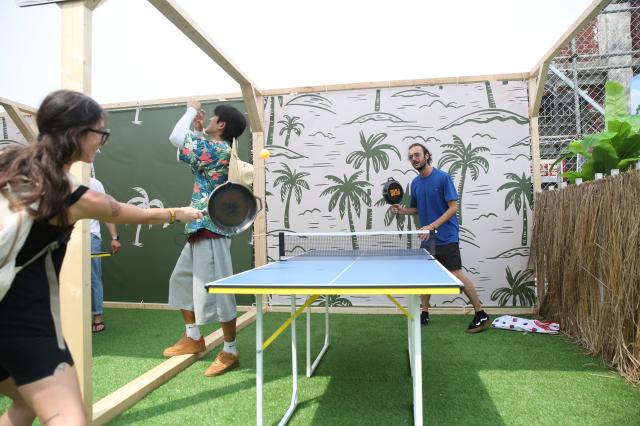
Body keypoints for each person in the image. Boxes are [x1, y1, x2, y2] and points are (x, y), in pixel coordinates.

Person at [0, 89, 203, 425]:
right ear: (76, 134)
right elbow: (133, 214)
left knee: (25, 403)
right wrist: (178, 212)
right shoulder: (71, 195)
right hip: (24, 325)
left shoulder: (11, 168)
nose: (103, 142)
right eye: (101, 133)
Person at [163, 99, 246, 377]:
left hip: (212, 232)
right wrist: (199, 131)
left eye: (212, 118)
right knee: (181, 280)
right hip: (198, 229)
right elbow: (195, 156)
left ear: (221, 125)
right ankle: (193, 338)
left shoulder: (218, 148)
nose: (207, 119)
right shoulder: (214, 149)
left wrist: (189, 109)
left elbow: (175, 136)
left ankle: (231, 351)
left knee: (219, 294)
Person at [392, 142, 489, 333]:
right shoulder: (415, 184)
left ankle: (481, 314)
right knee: (425, 277)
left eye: (417, 155)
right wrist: (402, 210)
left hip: (446, 236)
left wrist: (432, 226)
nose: (414, 159)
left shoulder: (443, 178)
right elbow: (417, 208)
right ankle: (425, 312)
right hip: (428, 238)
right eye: (411, 157)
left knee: (455, 274)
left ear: (427, 155)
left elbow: (453, 207)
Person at [89, 175, 121, 333]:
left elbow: (107, 212)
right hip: (66, 237)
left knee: (93, 277)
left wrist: (115, 238)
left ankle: (97, 318)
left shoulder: (94, 184)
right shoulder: (60, 180)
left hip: (90, 237)